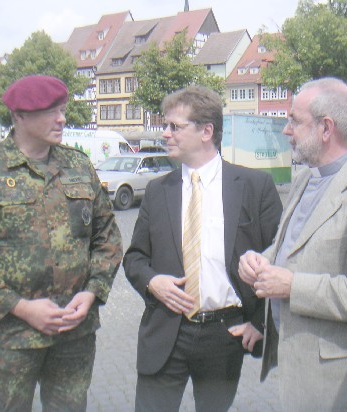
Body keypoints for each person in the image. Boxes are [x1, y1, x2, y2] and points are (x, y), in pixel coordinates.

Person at [0, 75, 123, 411]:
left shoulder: (78, 165)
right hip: (7, 339)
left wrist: (91, 292)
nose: (62, 119)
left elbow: (107, 237)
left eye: (63, 109)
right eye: (50, 111)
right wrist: (21, 307)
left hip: (73, 332)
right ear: (20, 116)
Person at [238, 77, 347, 411]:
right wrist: (259, 261)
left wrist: (292, 286)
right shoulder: (305, 179)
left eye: (294, 120)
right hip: (294, 363)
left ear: (326, 128)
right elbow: (290, 248)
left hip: (333, 379)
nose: (286, 130)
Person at [123, 85, 283, 412]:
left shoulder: (254, 187)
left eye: (174, 127)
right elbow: (135, 258)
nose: (165, 133)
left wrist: (262, 324)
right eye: (164, 125)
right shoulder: (157, 191)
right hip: (166, 330)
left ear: (206, 131)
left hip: (224, 335)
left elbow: (280, 259)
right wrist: (153, 282)